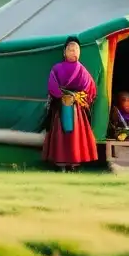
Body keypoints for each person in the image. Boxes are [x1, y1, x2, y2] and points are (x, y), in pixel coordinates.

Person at [42, 36, 98, 171]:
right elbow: (52, 84)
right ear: (64, 52)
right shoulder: (57, 68)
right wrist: (62, 96)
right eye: (70, 50)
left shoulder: (82, 70)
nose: (73, 52)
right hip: (61, 106)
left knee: (76, 137)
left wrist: (77, 97)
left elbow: (90, 88)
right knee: (61, 135)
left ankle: (74, 163)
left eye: (76, 50)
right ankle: (60, 163)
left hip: (76, 108)